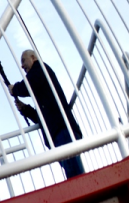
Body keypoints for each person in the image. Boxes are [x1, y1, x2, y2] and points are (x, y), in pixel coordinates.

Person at [9, 50, 84, 179]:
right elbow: (42, 117)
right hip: (58, 131)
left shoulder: (40, 68)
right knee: (72, 170)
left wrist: (14, 89)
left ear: (33, 58)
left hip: (62, 129)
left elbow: (28, 85)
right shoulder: (40, 79)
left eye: (23, 60)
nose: (22, 66)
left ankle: (86, 195)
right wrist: (26, 109)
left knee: (74, 173)